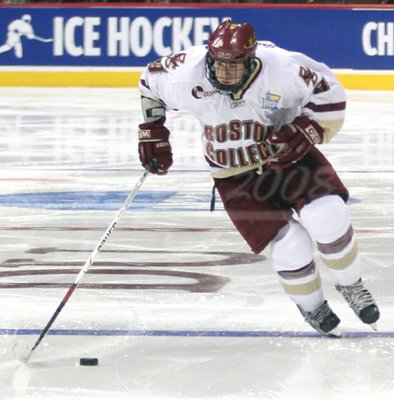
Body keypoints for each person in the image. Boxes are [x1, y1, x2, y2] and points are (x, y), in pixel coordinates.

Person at [137, 20, 380, 336]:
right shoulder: (187, 71)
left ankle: (352, 285)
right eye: (218, 63)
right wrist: (152, 132)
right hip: (234, 174)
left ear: (251, 60)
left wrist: (307, 130)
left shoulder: (282, 68)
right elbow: (149, 83)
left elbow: (330, 96)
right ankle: (313, 307)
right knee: (291, 244)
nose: (224, 72)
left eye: (233, 66)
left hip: (292, 159)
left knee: (329, 215)